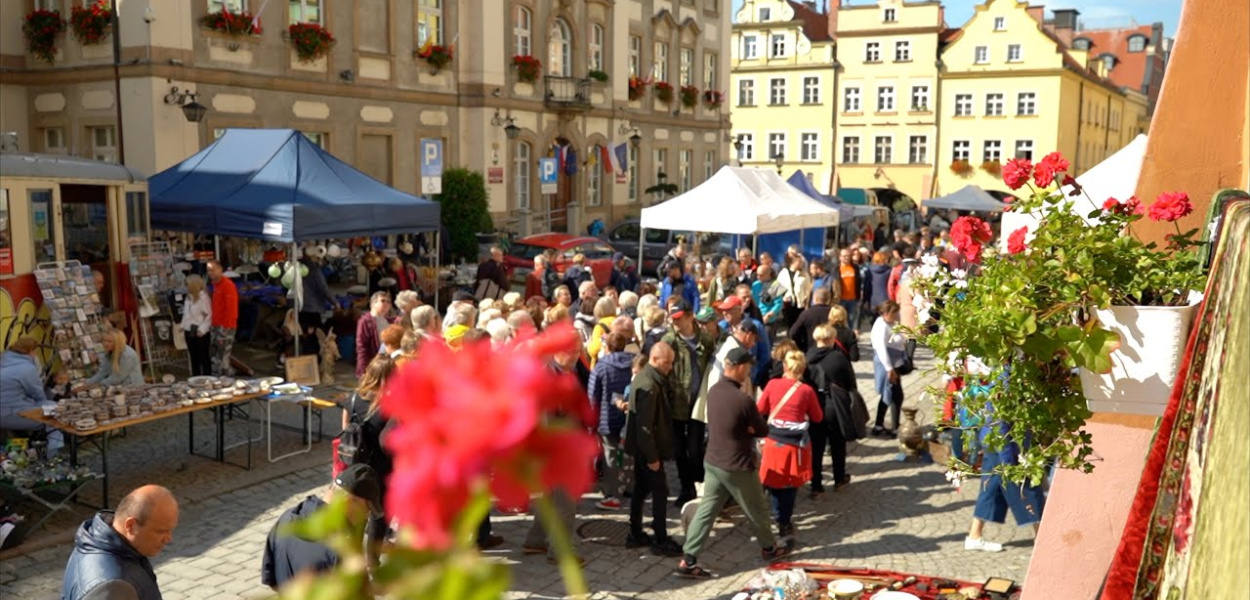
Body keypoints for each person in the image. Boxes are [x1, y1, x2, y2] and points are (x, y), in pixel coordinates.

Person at [677, 348, 793, 579]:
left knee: (707, 510)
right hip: (737, 465)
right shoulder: (743, 400)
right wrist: (750, 428)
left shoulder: (714, 391)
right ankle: (770, 548)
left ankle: (688, 559)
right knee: (757, 508)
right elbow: (762, 429)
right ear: (739, 367)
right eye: (748, 367)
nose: (749, 371)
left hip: (713, 461)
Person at [261, 464, 384, 590]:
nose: (366, 517)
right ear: (348, 501)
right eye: (367, 509)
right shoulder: (343, 550)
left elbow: (270, 579)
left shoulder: (285, 520)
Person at [62, 485, 179, 600]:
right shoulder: (113, 588)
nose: (168, 538)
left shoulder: (92, 541)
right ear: (131, 526)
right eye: (161, 531)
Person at [623, 342, 683, 557]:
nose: (670, 367)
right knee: (660, 491)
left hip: (642, 448)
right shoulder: (649, 385)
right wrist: (652, 457)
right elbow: (645, 427)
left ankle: (636, 532)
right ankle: (659, 538)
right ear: (655, 360)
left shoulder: (647, 377)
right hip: (647, 450)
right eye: (667, 363)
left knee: (640, 489)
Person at [757, 350, 823, 538]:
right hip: (794, 445)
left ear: (785, 366)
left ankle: (773, 515)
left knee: (772, 480)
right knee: (789, 485)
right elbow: (818, 417)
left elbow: (760, 409)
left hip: (773, 441)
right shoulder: (807, 390)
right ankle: (784, 521)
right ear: (803, 369)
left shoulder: (772, 384)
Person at [660, 299, 717, 507]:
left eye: (679, 318)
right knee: (678, 449)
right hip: (676, 405)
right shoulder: (669, 341)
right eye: (672, 319)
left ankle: (699, 482)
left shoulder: (705, 339)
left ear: (690, 316)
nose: (675, 323)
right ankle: (686, 487)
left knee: (695, 448)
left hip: (699, 404)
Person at [806, 324, 857, 495]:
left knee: (816, 447)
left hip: (814, 407)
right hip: (833, 406)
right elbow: (850, 382)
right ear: (830, 339)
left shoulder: (807, 357)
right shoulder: (838, 357)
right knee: (837, 444)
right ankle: (839, 478)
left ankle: (816, 485)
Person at [587, 332, 636, 511]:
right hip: (630, 415)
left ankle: (612, 494)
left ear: (607, 346)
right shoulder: (635, 362)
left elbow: (593, 396)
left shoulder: (601, 367)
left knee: (611, 456)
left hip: (607, 418)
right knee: (630, 453)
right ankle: (630, 487)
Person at [0, 337, 60, 452]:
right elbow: (37, 394)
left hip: (8, 409)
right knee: (55, 415)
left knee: (50, 405)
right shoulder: (26, 368)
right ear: (30, 352)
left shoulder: (3, 360)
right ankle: (53, 454)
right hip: (11, 414)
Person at [716, 297, 771, 389]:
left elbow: (765, 353)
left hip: (749, 378)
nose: (724, 313)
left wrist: (755, 374)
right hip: (727, 381)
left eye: (728, 310)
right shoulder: (721, 327)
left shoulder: (755, 326)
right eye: (723, 310)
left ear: (739, 310)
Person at [871, 301, 906, 436]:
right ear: (886, 314)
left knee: (889, 394)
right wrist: (889, 369)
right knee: (895, 396)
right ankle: (894, 427)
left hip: (894, 363)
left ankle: (879, 425)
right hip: (887, 365)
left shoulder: (891, 323)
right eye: (894, 312)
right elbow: (880, 348)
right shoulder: (881, 325)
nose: (897, 315)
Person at [206, 260, 238, 376]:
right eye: (208, 270)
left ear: (220, 269)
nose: (210, 273)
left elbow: (231, 309)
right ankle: (219, 378)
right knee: (216, 355)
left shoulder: (228, 285)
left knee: (223, 355)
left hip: (225, 326)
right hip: (215, 324)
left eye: (212, 270)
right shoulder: (215, 285)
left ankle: (225, 380)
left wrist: (226, 327)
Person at [179, 275, 212, 376]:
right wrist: (183, 325)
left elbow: (209, 314)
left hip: (200, 332)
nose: (186, 287)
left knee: (203, 358)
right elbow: (186, 314)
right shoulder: (188, 298)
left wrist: (202, 329)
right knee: (193, 358)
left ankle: (207, 378)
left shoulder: (203, 298)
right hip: (189, 330)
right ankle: (196, 378)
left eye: (187, 284)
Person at [355, 292, 392, 377]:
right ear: (373, 303)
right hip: (373, 366)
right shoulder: (365, 321)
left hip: (386, 365)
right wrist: (363, 370)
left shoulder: (389, 321)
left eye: (388, 302)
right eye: (383, 301)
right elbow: (361, 347)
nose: (386, 304)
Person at [787, 287, 833, 354]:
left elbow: (792, 333)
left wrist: (801, 347)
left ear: (815, 299)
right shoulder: (834, 313)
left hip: (811, 351)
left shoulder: (806, 314)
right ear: (829, 299)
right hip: (831, 350)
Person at [752, 264, 784, 339]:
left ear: (768, 274)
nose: (758, 277)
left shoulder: (775, 285)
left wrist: (769, 315)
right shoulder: (755, 285)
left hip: (769, 319)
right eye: (757, 275)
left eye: (761, 275)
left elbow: (779, 304)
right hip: (757, 316)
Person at [836, 248, 861, 329]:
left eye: (848, 256)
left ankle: (851, 337)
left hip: (853, 299)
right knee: (840, 320)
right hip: (841, 299)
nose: (847, 258)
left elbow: (858, 282)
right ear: (840, 257)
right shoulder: (837, 269)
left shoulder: (855, 268)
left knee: (852, 320)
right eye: (844, 256)